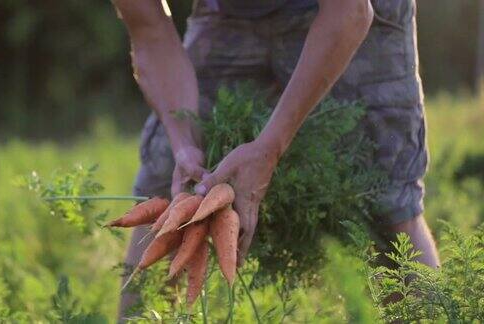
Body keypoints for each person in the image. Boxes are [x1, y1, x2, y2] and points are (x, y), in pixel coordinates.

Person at [112, 0, 440, 319]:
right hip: (227, 12)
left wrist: (268, 148)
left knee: (388, 202)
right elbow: (148, 28)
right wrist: (184, 144)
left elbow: (349, 12)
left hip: (350, 10)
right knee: (165, 197)